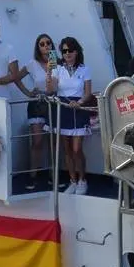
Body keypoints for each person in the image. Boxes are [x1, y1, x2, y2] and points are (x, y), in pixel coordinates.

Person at [47, 37, 92, 195]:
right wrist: (49, 72)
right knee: (66, 149)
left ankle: (83, 180)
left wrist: (79, 102)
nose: (67, 53)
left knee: (77, 148)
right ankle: (73, 180)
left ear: (76, 51)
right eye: (64, 51)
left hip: (78, 109)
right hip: (63, 108)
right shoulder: (56, 69)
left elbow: (87, 93)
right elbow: (51, 90)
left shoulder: (85, 69)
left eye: (70, 50)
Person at [14, 34, 57, 190]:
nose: (46, 46)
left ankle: (54, 177)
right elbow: (16, 77)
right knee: (37, 141)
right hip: (37, 104)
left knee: (53, 143)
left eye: (48, 43)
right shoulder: (32, 64)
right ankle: (32, 176)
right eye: (42, 44)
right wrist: (27, 92)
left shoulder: (57, 64)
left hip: (53, 103)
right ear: (38, 48)